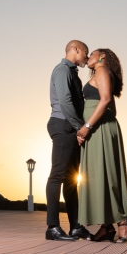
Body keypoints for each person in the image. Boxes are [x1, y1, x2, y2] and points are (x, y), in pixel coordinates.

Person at [76, 48, 127, 243]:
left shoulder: (102, 70)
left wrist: (87, 126)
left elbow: (106, 100)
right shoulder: (102, 73)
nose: (88, 57)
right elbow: (112, 109)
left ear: (102, 56)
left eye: (92, 53)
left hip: (98, 128)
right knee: (100, 176)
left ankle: (124, 224)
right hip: (100, 128)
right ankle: (106, 227)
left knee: (108, 176)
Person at [45, 40, 93, 241]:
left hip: (70, 127)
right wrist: (79, 128)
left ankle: (76, 227)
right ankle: (52, 228)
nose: (86, 58)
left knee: (72, 179)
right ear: (76, 50)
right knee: (57, 176)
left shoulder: (72, 73)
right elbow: (65, 102)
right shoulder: (62, 70)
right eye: (85, 53)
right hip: (64, 125)